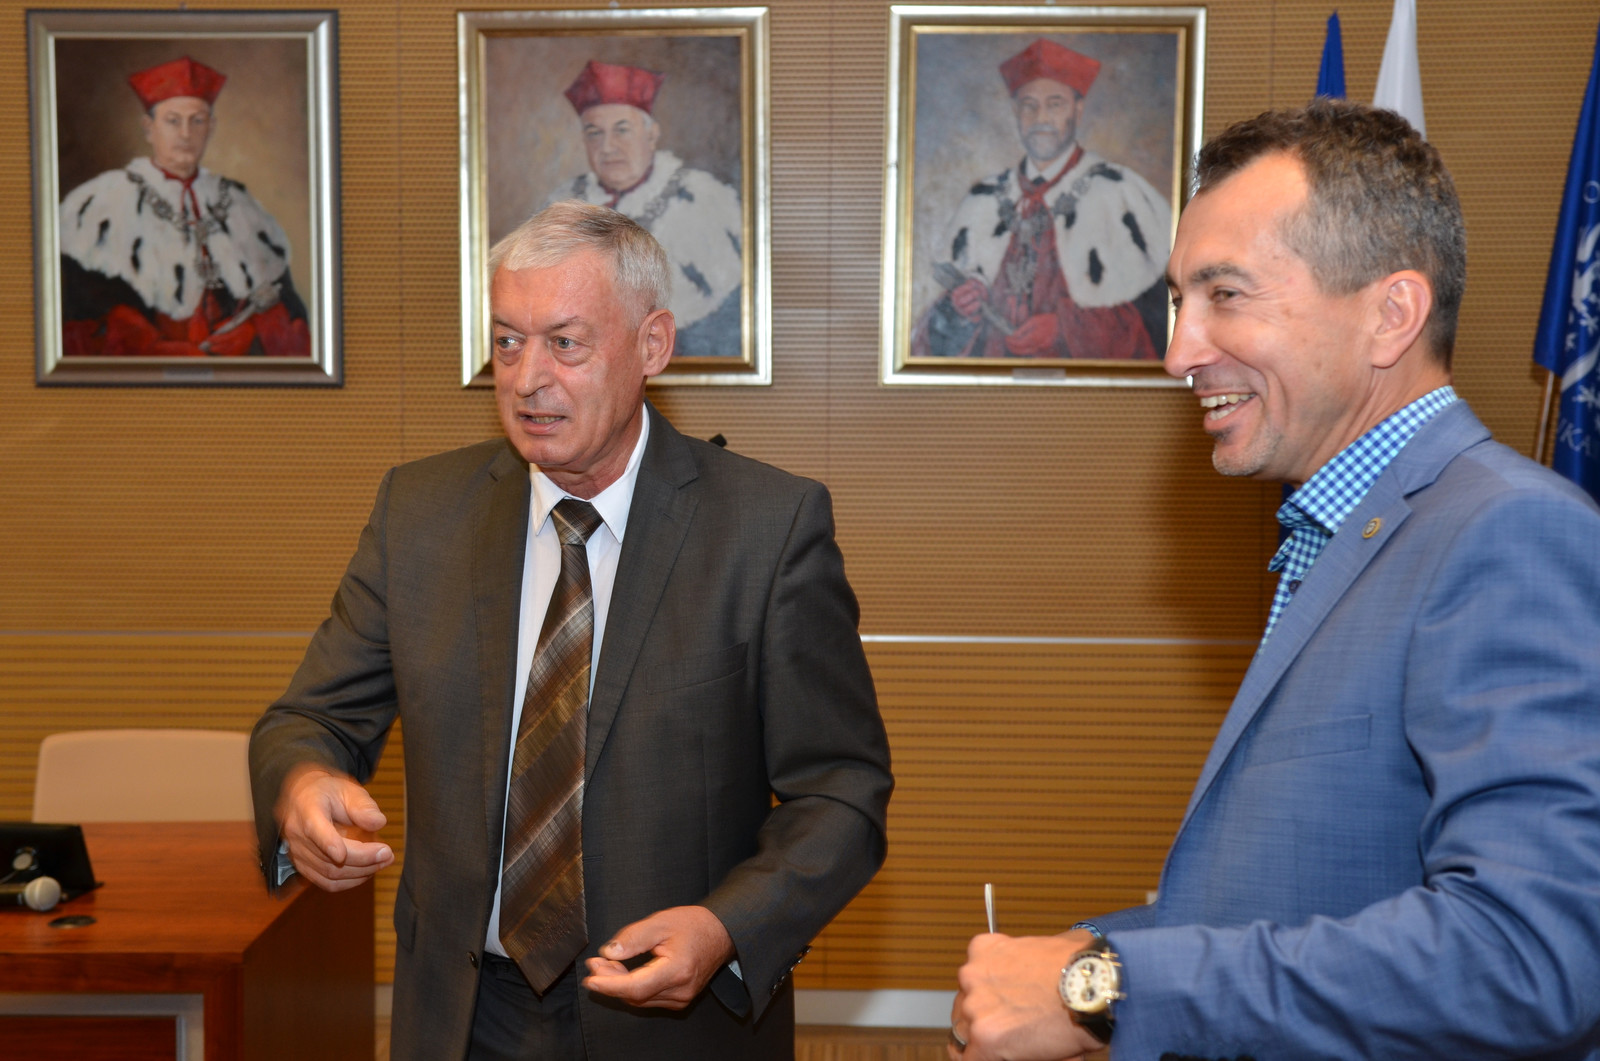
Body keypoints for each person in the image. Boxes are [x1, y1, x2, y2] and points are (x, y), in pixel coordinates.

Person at [949, 99, 1600, 1060]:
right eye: (1180, 300)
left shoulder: (1508, 533)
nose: (1178, 353)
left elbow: (1532, 954)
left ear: (1390, 315)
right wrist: (1079, 960)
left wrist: (1103, 988)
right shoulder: (1350, 532)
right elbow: (1303, 895)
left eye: (1226, 294)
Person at [250, 201, 892, 1059]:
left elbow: (841, 790)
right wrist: (300, 785)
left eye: (564, 342)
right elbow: (307, 720)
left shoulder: (766, 529)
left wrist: (726, 927)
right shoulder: (420, 515)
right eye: (508, 342)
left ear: (652, 345)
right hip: (462, 1016)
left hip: (675, 1021)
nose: (526, 379)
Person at [911, 39, 1171, 361]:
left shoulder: (1120, 194)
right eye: (1029, 105)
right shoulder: (983, 200)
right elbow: (930, 346)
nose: (1040, 118)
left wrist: (1065, 329)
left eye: (1055, 104)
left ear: (1078, 110)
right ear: (1015, 112)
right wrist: (961, 310)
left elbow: (1159, 322)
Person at [58, 56, 310, 359]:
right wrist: (152, 347)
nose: (186, 134)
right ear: (149, 128)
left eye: (197, 121)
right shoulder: (102, 203)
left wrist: (251, 331)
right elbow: (81, 310)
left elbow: (282, 303)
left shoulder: (240, 205)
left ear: (211, 127)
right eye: (173, 121)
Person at [544, 59, 744, 359]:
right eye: (594, 133)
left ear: (651, 135)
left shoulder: (704, 199)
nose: (607, 147)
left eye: (622, 130)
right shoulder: (561, 205)